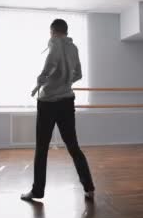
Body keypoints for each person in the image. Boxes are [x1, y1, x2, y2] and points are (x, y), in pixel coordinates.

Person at [21, 19, 95, 201]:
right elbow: (78, 74)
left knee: (42, 148)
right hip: (67, 101)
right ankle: (89, 188)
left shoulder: (54, 44)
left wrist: (42, 79)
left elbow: (50, 64)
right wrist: (65, 83)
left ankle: (37, 191)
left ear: (53, 32)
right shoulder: (74, 48)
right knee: (73, 146)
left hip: (48, 103)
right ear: (66, 31)